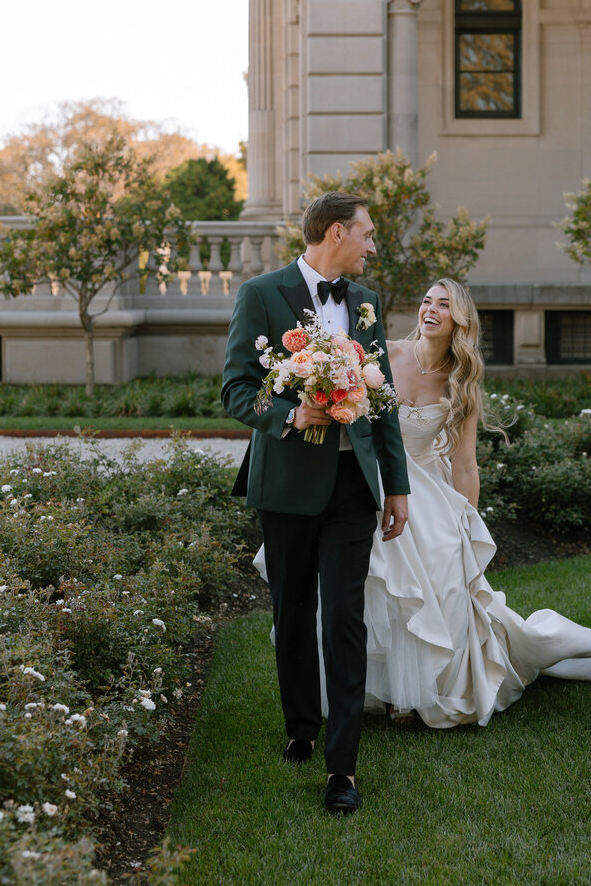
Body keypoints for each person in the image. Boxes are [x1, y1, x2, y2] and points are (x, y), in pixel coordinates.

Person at [221, 191, 410, 814]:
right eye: (367, 234)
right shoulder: (261, 294)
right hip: (287, 486)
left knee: (345, 619)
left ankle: (343, 770)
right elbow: (235, 389)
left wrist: (397, 484)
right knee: (294, 612)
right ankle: (301, 724)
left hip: (353, 487)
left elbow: (382, 400)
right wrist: (288, 411)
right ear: (335, 233)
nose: (373, 245)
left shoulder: (366, 304)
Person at [361, 278, 591, 728]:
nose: (430, 310)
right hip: (370, 480)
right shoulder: (384, 355)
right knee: (379, 579)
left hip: (427, 490)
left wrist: (466, 522)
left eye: (444, 304)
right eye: (426, 301)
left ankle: (425, 690)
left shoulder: (462, 382)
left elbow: (464, 464)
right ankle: (386, 691)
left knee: (443, 573)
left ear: (460, 319)